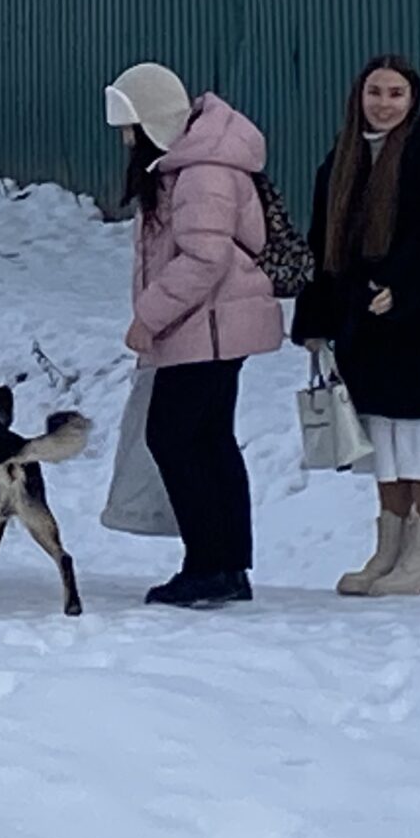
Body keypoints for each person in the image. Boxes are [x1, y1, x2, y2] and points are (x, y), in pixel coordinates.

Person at [105, 62, 284, 609]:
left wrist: (148, 318)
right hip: (213, 326)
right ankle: (227, 563)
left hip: (205, 326)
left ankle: (207, 563)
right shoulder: (190, 162)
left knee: (174, 437)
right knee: (209, 440)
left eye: (128, 126)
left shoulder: (201, 172)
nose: (124, 138)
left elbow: (203, 258)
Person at [291, 55, 420, 597]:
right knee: (383, 441)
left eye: (395, 93)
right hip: (360, 326)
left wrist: (401, 287)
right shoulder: (339, 162)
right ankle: (389, 551)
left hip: (417, 325)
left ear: (413, 100)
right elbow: (321, 245)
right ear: (358, 97)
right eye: (375, 92)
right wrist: (314, 319)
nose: (384, 104)